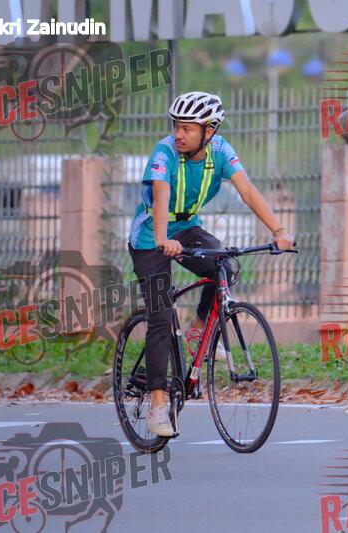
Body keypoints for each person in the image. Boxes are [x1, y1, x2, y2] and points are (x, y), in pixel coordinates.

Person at [128, 91, 295, 437]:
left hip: (186, 228)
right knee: (160, 314)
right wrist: (162, 240)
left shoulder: (221, 151)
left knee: (224, 265)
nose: (178, 134)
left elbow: (247, 191)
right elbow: (160, 196)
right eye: (177, 126)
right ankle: (158, 403)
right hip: (149, 237)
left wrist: (279, 231)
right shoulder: (163, 153)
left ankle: (198, 329)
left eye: (187, 128)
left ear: (209, 131)